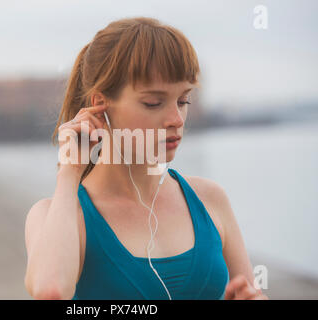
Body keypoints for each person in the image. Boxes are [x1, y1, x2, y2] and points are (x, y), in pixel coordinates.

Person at [24, 17, 268, 300]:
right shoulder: (57, 215)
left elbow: (251, 293)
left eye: (183, 100)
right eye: (154, 103)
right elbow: (50, 291)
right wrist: (70, 171)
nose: (177, 119)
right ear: (99, 104)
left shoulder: (210, 200)